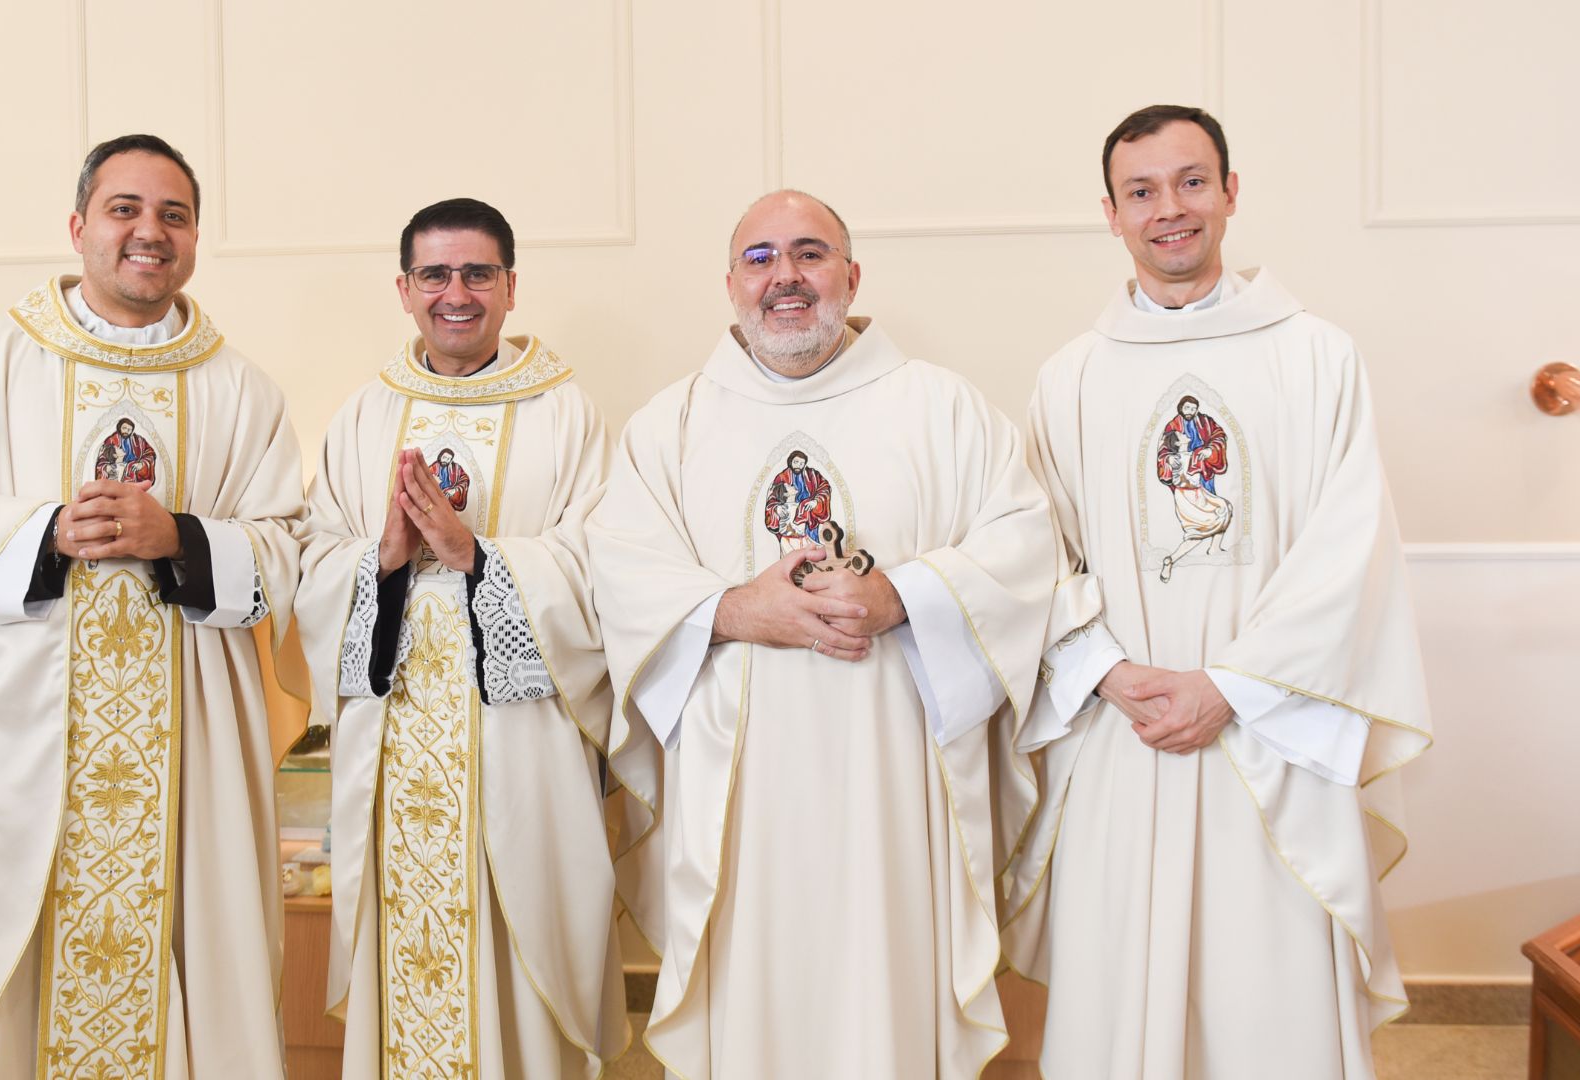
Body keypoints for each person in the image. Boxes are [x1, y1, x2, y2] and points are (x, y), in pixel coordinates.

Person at [0, 133, 307, 1079]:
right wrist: (43, 533)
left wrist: (182, 539)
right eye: (124, 209)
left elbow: (289, 553)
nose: (150, 232)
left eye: (174, 215)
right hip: (19, 742)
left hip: (189, 753)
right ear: (78, 226)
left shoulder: (242, 390)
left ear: (195, 238)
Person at [587, 190, 1065, 1078]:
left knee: (885, 992)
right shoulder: (671, 425)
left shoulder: (941, 408)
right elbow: (619, 569)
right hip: (739, 792)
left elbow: (1023, 547)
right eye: (761, 259)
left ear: (852, 275)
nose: (786, 277)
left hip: (892, 778)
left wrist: (902, 596)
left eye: (810, 254)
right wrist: (736, 610)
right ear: (731, 284)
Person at [1006, 105, 1433, 1079]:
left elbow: (1349, 550)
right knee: (1123, 982)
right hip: (1126, 732)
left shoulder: (1315, 356)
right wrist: (1107, 671)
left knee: (1268, 999)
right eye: (1142, 191)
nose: (1170, 209)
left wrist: (1230, 687)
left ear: (1231, 194)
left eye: (1191, 182)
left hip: (1274, 733)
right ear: (1111, 213)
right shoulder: (1071, 378)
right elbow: (1035, 555)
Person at [293, 197, 629, 1078]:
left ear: (511, 287)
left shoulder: (568, 415)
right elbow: (311, 566)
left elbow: (605, 569)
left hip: (523, 746)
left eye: (478, 273)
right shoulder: (364, 417)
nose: (457, 293)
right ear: (404, 289)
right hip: (395, 744)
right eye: (435, 274)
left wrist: (477, 557)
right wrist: (383, 560)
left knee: (522, 952)